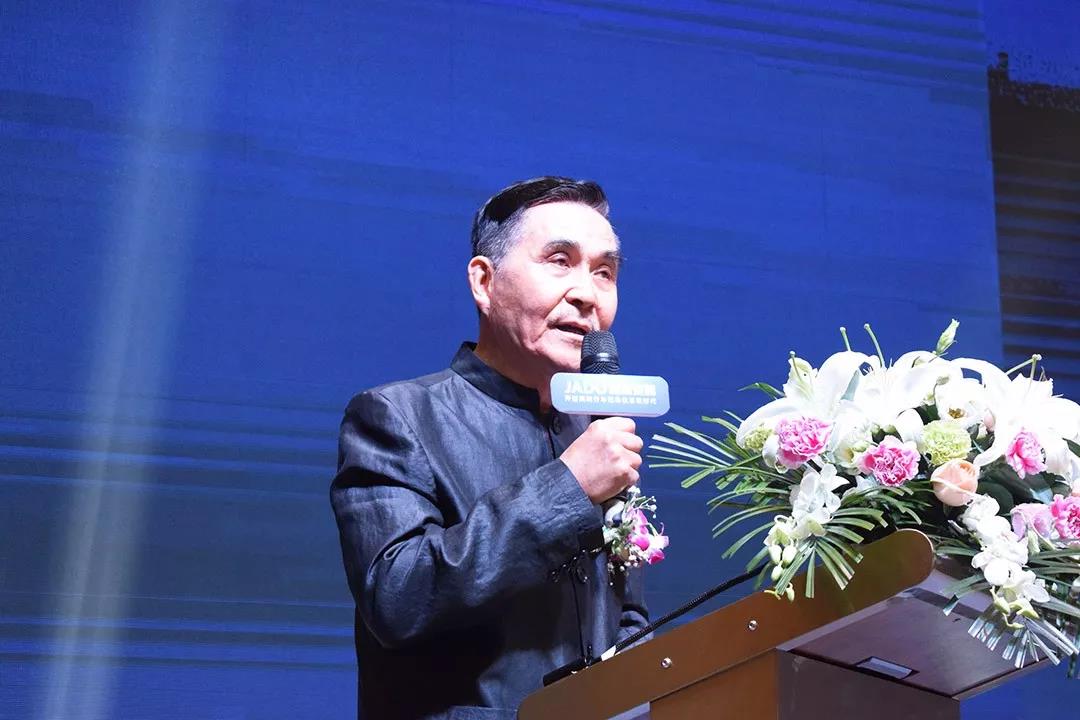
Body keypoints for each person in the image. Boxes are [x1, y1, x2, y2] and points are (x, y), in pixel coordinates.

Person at [331, 177, 648, 720]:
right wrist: (568, 487)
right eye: (559, 261)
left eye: (604, 272)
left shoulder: (597, 433)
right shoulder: (395, 416)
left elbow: (627, 620)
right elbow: (398, 599)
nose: (587, 293)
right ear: (484, 281)